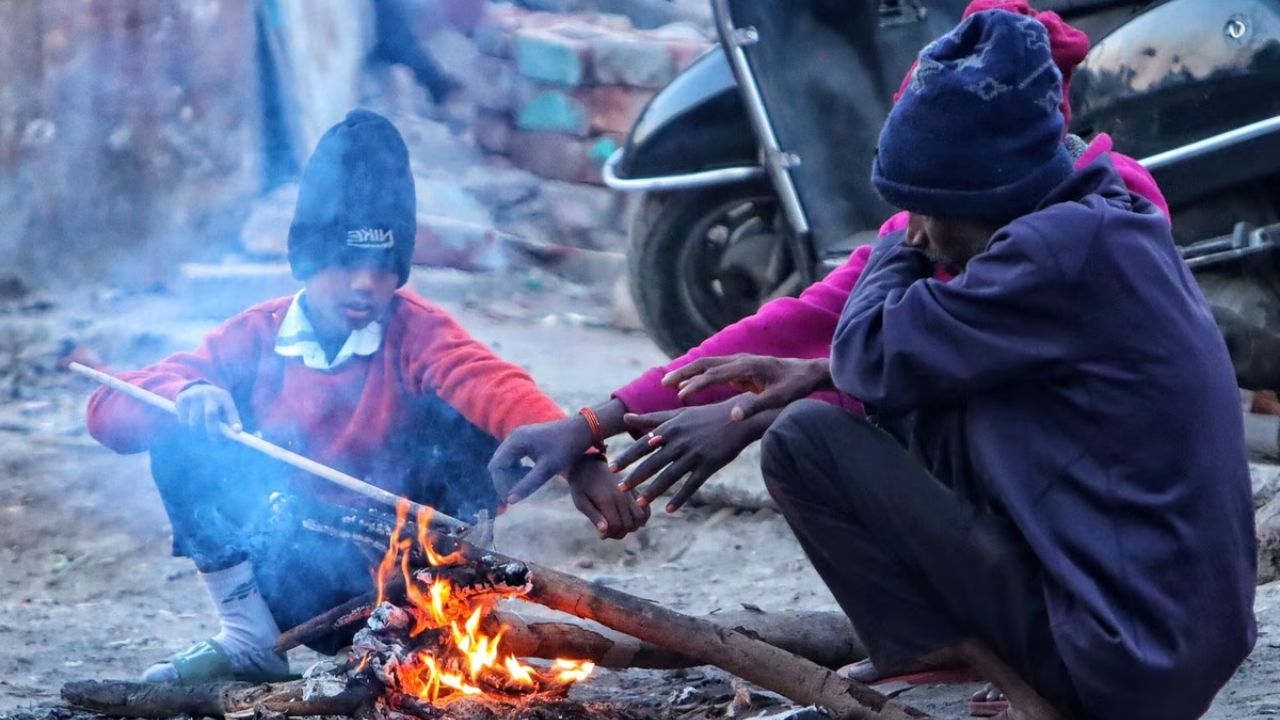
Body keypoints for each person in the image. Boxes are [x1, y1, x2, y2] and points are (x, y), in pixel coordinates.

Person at [489, 0, 1167, 528]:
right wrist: (590, 424)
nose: (912, 229)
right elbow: (799, 324)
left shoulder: (1094, 230)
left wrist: (747, 419)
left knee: (852, 433)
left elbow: (928, 376)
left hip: (1118, 538)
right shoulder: (941, 223)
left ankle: (1023, 645)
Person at [750, 10, 1255, 719]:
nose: (919, 229)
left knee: (807, 444)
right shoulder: (1101, 219)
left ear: (977, 195)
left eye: (922, 208)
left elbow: (863, 357)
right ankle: (1015, 668)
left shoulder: (1054, 252)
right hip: (1168, 642)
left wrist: (902, 243)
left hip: (1125, 658)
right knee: (932, 404)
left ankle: (1013, 682)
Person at [86, 110, 642, 685]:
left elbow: (496, 387)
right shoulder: (254, 335)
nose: (365, 284)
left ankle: (441, 633)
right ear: (307, 259)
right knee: (179, 426)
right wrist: (188, 393)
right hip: (291, 569)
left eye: (382, 267)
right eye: (346, 262)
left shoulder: (417, 331)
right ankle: (250, 639)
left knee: (467, 418)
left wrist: (580, 454)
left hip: (398, 570)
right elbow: (106, 411)